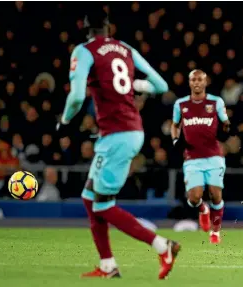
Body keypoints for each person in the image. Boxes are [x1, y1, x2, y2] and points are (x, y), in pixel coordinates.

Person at [56, 9, 179, 279]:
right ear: (109, 28)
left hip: (117, 136)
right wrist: (134, 84)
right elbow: (160, 85)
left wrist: (64, 121)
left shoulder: (84, 51)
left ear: (85, 28)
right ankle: (108, 265)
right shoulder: (125, 48)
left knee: (102, 205)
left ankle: (163, 245)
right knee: (90, 198)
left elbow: (76, 96)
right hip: (127, 131)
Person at [171, 69, 231, 244]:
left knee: (215, 195)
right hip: (192, 157)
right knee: (194, 198)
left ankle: (215, 232)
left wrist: (226, 127)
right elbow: (174, 125)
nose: (197, 82)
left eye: (200, 79)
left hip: (214, 156)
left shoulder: (215, 102)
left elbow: (225, 122)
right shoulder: (181, 104)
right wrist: (175, 139)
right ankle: (203, 209)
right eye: (193, 80)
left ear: (205, 82)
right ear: (189, 83)